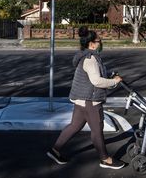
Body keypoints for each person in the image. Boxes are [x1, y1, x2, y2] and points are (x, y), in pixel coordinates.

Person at [46, 26, 125, 170]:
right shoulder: (91, 59)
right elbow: (96, 81)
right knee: (97, 130)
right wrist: (114, 81)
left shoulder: (85, 55)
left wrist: (109, 79)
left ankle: (55, 150)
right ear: (92, 43)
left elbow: (94, 78)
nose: (101, 43)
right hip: (91, 100)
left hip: (81, 99)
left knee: (75, 126)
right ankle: (105, 159)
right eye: (99, 40)